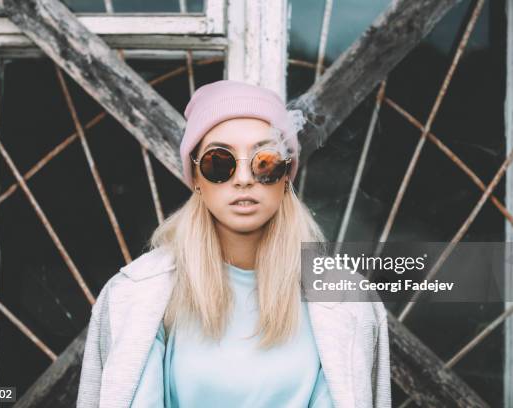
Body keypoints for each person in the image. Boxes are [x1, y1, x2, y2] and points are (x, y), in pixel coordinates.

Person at [76, 80, 391, 408]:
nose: (243, 178)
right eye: (219, 163)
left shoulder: (348, 304)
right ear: (196, 177)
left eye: (264, 161)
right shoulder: (134, 295)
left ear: (286, 176)